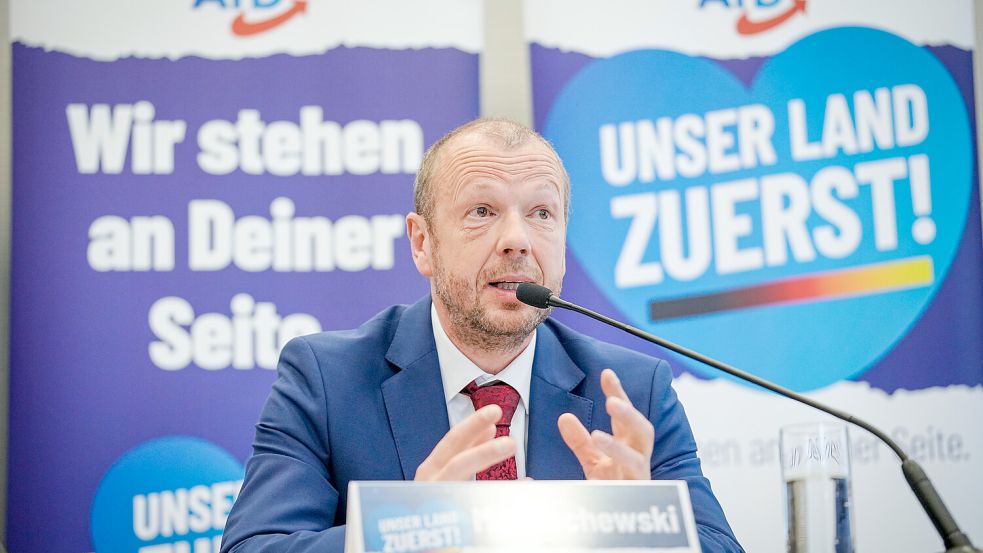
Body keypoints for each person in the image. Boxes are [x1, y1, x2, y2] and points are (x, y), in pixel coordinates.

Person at [220, 119, 743, 552]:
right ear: (423, 243)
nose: (517, 240)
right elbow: (254, 546)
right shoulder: (327, 378)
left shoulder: (634, 390)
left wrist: (644, 535)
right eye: (482, 211)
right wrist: (405, 533)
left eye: (541, 213)